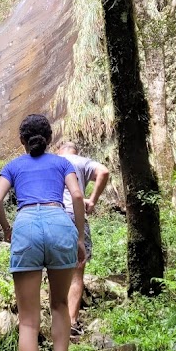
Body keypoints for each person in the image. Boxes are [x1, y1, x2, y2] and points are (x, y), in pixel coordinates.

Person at [0, 114, 86, 351]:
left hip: (27, 225)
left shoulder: (14, 166)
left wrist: (7, 228)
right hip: (60, 223)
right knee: (59, 304)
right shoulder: (62, 163)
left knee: (29, 321)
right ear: (49, 137)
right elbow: (78, 194)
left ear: (22, 140)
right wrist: (80, 238)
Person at [57, 141, 110, 338]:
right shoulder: (82, 162)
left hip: (53, 217)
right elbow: (103, 172)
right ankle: (71, 322)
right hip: (76, 216)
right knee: (77, 271)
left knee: (55, 269)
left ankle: (56, 321)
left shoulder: (52, 160)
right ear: (76, 152)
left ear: (58, 150)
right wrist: (93, 200)